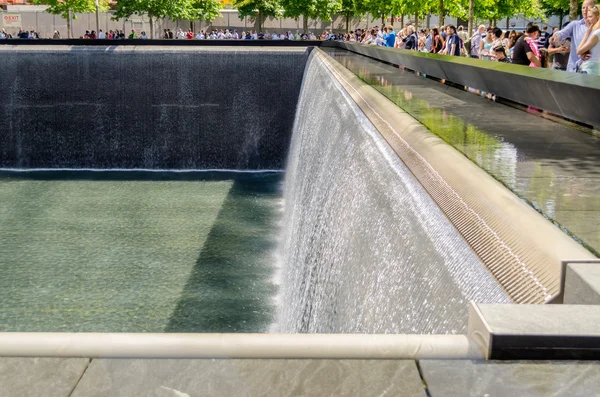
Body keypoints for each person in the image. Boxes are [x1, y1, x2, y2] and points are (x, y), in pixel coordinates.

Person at [550, 0, 596, 71]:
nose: (585, 10)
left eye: (589, 8)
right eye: (583, 8)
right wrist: (555, 36)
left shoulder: (597, 28)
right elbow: (562, 33)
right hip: (574, 69)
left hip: (593, 69)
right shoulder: (575, 25)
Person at [576, 4, 600, 74]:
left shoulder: (597, 33)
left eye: (590, 17)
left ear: (598, 17)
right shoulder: (595, 32)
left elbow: (578, 51)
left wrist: (586, 34)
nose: (587, 19)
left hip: (590, 69)